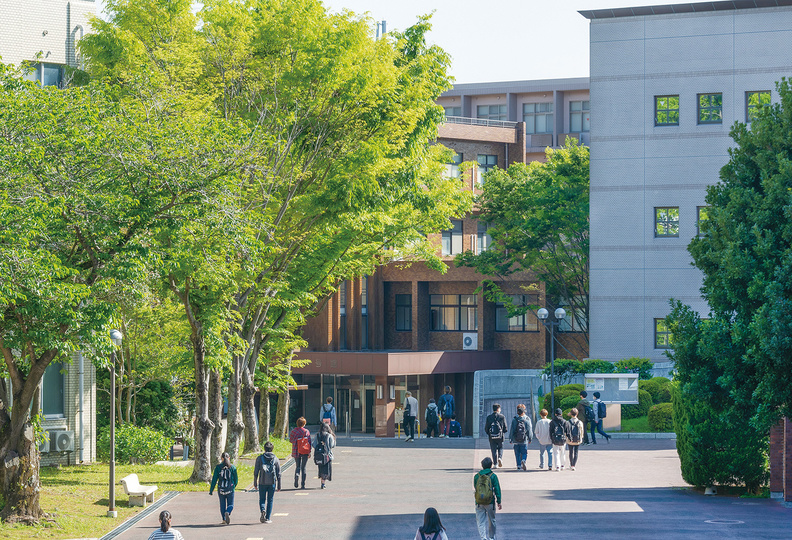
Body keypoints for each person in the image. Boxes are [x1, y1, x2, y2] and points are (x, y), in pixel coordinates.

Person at [473, 456, 502, 540]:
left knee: (480, 521)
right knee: (492, 520)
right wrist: (499, 501)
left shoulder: (477, 476)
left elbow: (476, 488)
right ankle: (491, 537)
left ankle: (483, 538)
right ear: (491, 465)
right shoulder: (493, 476)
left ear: (482, 465)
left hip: (479, 502)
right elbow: (497, 489)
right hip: (490, 502)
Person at [253, 441, 281, 524]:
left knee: (262, 499)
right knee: (270, 500)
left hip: (262, 481)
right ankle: (268, 518)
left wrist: (255, 482)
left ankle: (262, 509)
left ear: (264, 449)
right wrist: (279, 485)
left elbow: (256, 471)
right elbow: (279, 473)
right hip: (272, 482)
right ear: (272, 449)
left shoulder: (260, 458)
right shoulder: (275, 458)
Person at [209, 452, 237, 525]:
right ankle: (228, 512)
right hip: (230, 489)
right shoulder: (232, 467)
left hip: (221, 489)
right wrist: (233, 486)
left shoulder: (218, 467)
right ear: (229, 458)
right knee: (231, 504)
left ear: (221, 458)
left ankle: (224, 519)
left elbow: (214, 479)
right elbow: (236, 479)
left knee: (222, 504)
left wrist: (211, 490)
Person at [289, 416, 311, 489]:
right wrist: (309, 451)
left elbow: (291, 440)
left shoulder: (293, 431)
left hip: (296, 450)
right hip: (304, 450)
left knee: (297, 466)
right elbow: (309, 442)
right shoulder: (306, 431)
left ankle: (296, 476)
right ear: (304, 424)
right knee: (303, 467)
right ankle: (303, 484)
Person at [508, 404, 533, 470]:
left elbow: (512, 430)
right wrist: (530, 438)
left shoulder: (514, 419)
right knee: (524, 452)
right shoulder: (527, 419)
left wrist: (510, 439)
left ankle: (519, 465)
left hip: (515, 439)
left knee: (517, 453)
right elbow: (529, 430)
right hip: (524, 439)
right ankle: (524, 460)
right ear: (523, 412)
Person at [484, 403, 507, 468]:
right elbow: (505, 428)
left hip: (492, 437)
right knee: (501, 448)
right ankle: (500, 458)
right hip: (500, 436)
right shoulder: (502, 417)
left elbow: (486, 428)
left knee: (493, 450)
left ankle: (495, 464)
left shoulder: (489, 417)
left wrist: (489, 434)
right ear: (498, 409)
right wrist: (503, 432)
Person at [314, 421, 336, 489]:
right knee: (326, 469)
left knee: (321, 468)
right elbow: (332, 445)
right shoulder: (329, 435)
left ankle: (322, 482)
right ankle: (323, 483)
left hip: (319, 455)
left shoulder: (317, 435)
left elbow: (314, 444)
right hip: (327, 455)